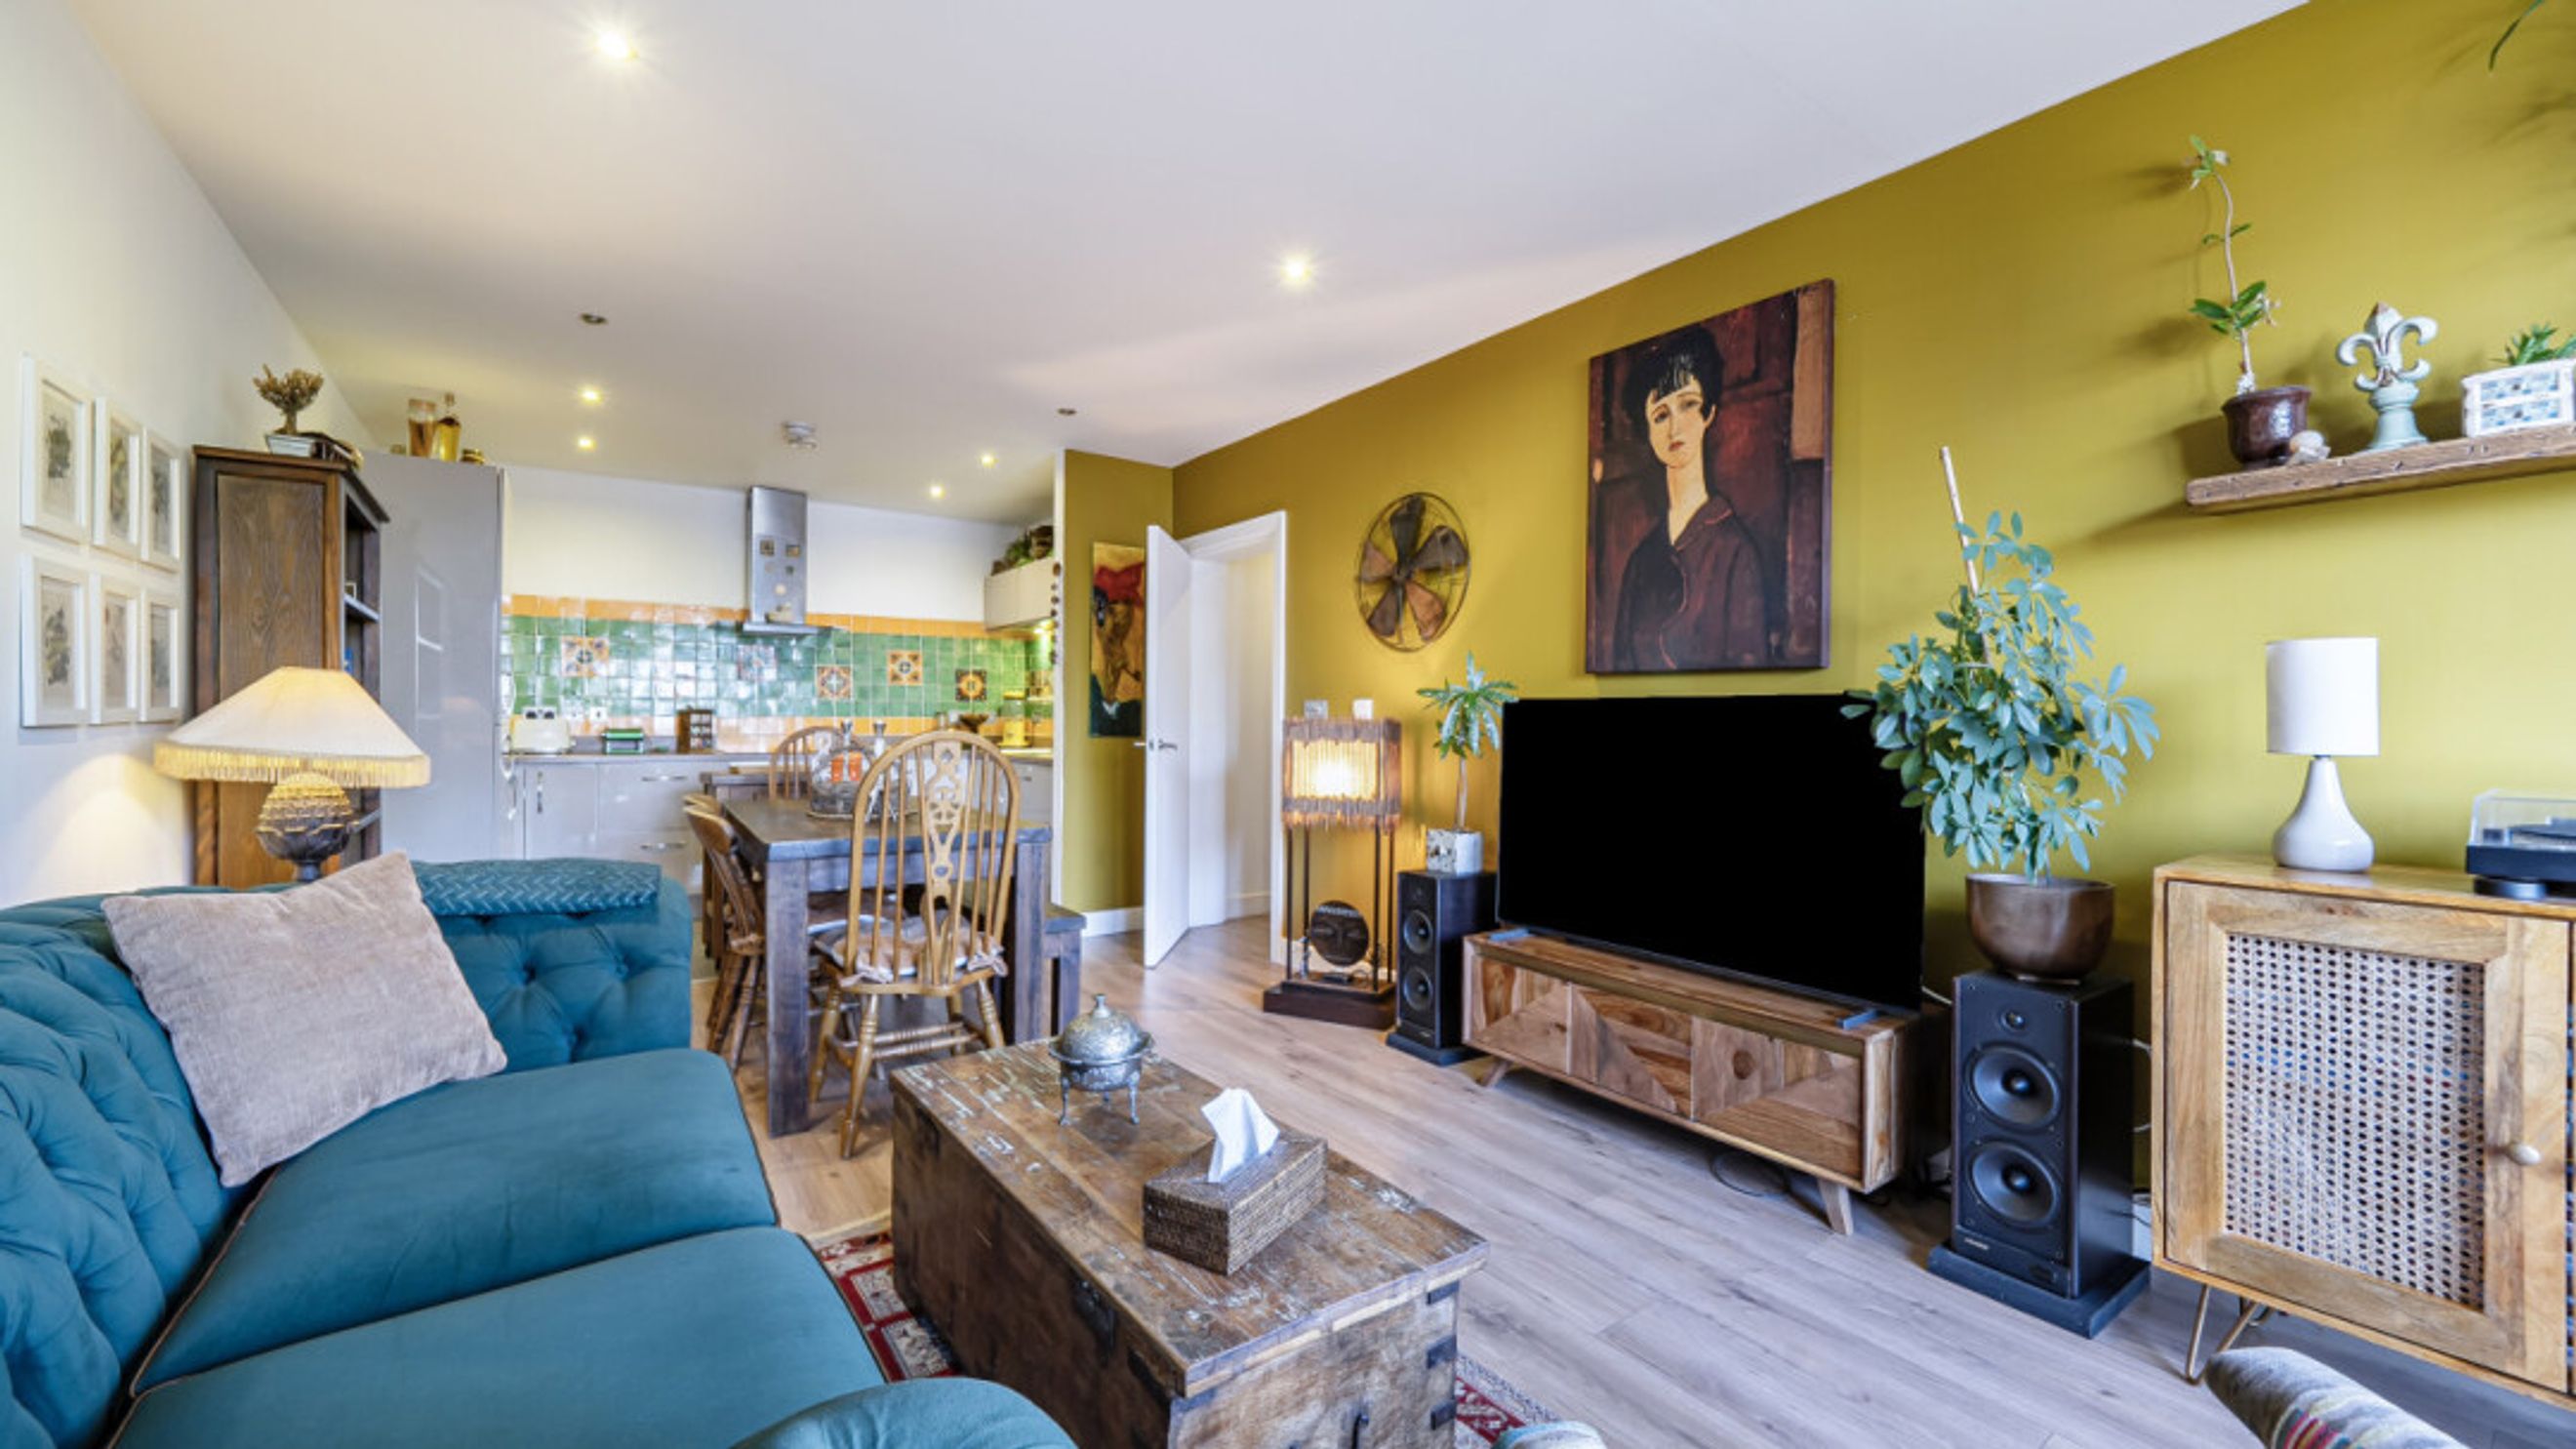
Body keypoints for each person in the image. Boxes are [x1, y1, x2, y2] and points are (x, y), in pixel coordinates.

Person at [1594, 326, 1780, 671]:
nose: (1675, 428)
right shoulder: (1640, 561)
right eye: (1660, 415)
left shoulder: (1736, 551)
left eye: (1688, 405)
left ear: (1708, 413)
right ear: (1648, 432)